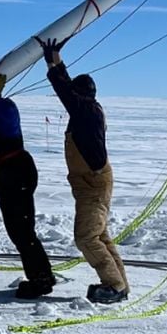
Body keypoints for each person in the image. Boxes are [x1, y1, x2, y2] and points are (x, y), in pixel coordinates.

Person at [36, 37, 129, 304]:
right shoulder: (87, 110)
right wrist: (55, 60)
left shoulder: (86, 111)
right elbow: (68, 91)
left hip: (93, 184)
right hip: (91, 183)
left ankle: (114, 285)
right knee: (98, 235)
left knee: (86, 237)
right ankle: (119, 285)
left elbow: (65, 91)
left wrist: (53, 61)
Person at [0, 73, 55, 299]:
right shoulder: (0, 113)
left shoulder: (0, 112)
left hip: (13, 172)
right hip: (15, 170)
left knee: (21, 230)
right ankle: (42, 274)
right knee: (21, 228)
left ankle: (41, 279)